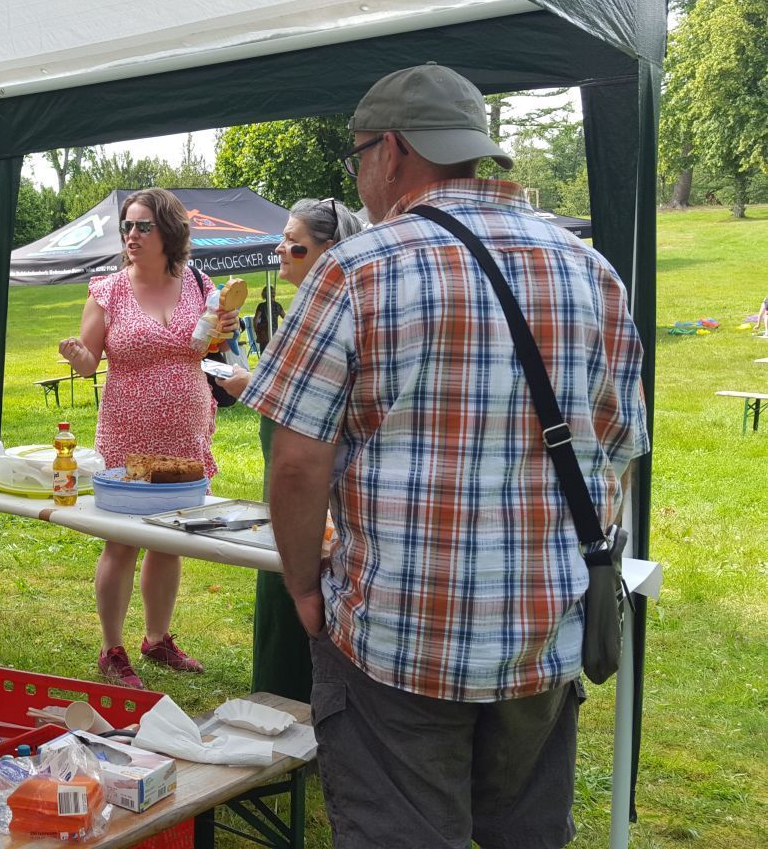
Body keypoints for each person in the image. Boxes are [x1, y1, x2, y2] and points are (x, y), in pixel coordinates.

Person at [242, 64, 649, 847]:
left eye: (358, 157)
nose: (360, 179)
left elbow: (296, 463)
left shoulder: (355, 268)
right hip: (542, 630)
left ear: (392, 151)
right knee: (525, 834)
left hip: (398, 630)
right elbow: (620, 447)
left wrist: (300, 585)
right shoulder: (590, 269)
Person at [59, 187, 245, 687]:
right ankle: (111, 649)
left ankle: (157, 639)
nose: (132, 235)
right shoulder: (108, 291)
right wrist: (77, 355)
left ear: (169, 232)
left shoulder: (199, 285)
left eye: (144, 226)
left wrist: (223, 329)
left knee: (170, 540)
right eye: (127, 226)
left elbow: (210, 347)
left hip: (187, 432)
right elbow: (89, 363)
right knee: (121, 542)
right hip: (127, 434)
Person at [249, 198, 363, 703]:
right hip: (290, 507)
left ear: (329, 250)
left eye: (293, 241)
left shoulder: (335, 311)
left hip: (323, 512)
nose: (280, 248)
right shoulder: (301, 309)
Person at [251, 285, 283, 353]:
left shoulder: (261, 306)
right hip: (275, 333)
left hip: (264, 334)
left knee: (264, 353)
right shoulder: (278, 306)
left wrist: (256, 330)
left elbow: (255, 320)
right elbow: (285, 318)